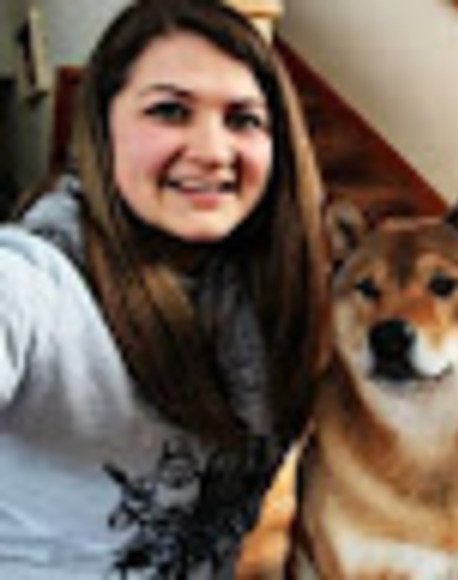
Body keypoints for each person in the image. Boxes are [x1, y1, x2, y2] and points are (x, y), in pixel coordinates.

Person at [0, 0, 329, 577]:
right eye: (170, 111)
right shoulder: (38, 282)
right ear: (101, 128)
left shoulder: (273, 293)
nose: (212, 151)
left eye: (243, 119)